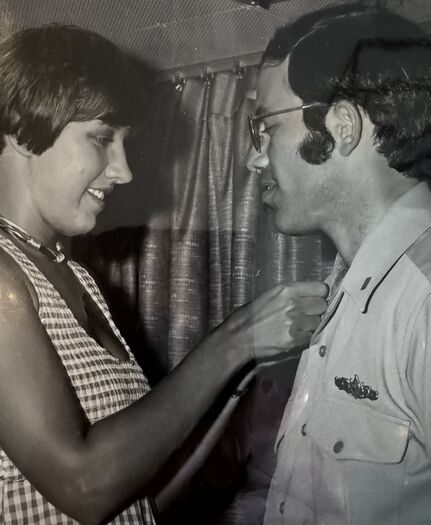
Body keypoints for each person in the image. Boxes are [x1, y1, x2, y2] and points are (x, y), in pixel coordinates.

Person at [0, 23, 329, 524]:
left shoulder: (75, 277)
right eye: (102, 138)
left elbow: (139, 495)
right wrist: (233, 340)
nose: (124, 170)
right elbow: (83, 485)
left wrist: (242, 370)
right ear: (22, 129)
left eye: (124, 143)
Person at [246, 4, 431, 525]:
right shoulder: (346, 285)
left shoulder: (423, 299)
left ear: (343, 127)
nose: (254, 158)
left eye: (265, 127)